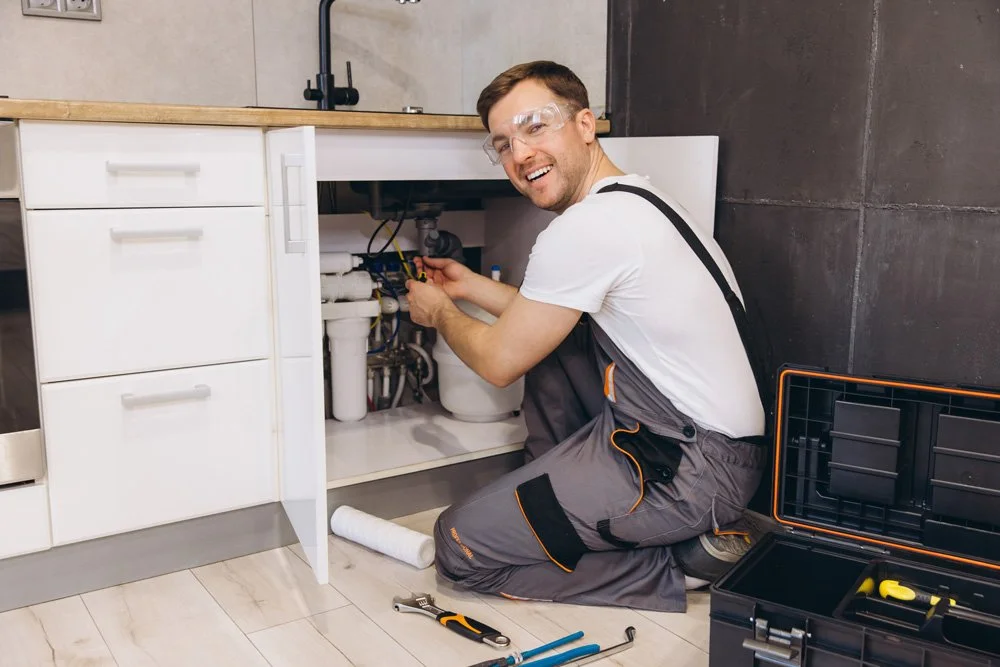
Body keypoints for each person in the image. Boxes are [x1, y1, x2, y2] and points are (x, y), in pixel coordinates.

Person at [403, 60, 770, 612]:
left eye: (534, 127)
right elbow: (544, 316)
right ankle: (558, 500)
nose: (519, 154)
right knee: (561, 340)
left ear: (584, 124)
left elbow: (500, 361)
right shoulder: (641, 201)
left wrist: (438, 313)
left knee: (460, 546)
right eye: (502, 144)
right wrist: (469, 286)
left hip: (686, 471)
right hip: (697, 448)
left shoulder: (587, 228)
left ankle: (685, 562)